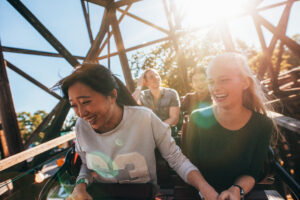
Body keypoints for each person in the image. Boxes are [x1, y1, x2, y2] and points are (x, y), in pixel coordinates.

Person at [56, 64, 218, 200]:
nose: (81, 112)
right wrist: (80, 186)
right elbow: (87, 164)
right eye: (74, 105)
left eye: (86, 102)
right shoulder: (81, 126)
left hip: (144, 194)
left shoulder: (145, 118)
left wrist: (205, 188)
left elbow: (177, 159)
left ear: (112, 95)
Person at [185, 53, 276, 200]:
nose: (215, 88)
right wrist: (205, 189)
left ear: (245, 83)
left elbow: (252, 173)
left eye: (224, 80)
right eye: (211, 82)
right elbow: (189, 166)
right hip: (200, 194)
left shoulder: (263, 124)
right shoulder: (197, 118)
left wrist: (236, 190)